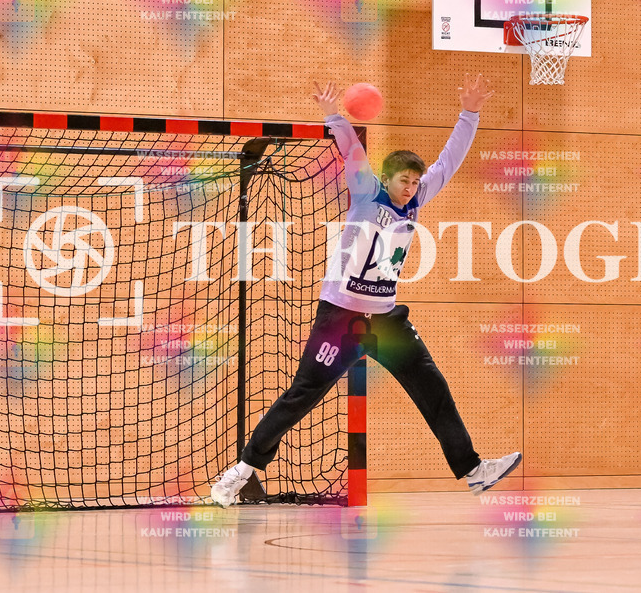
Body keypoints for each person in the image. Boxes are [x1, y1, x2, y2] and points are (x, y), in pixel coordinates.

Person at [211, 75, 521, 506]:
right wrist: (333, 115)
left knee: (432, 387)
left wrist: (469, 113)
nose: (411, 188)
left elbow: (448, 162)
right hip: (341, 317)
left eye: (415, 182)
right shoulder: (365, 192)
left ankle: (472, 469)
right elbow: (352, 153)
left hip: (387, 319)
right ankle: (242, 472)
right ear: (387, 178)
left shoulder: (416, 201)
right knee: (303, 395)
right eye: (403, 181)